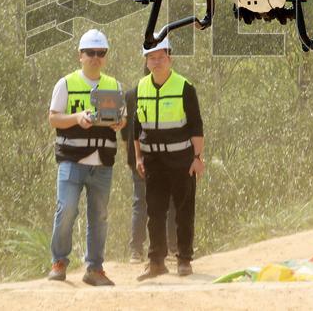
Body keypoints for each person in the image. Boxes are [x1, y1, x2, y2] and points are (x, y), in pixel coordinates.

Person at [47, 29, 125, 286]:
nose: (95, 57)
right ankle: (59, 261)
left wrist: (119, 123)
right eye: (90, 53)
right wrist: (77, 119)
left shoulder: (114, 85)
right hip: (71, 160)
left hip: (102, 162)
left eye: (100, 53)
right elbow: (53, 118)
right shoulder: (66, 83)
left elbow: (122, 118)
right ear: (80, 55)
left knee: (99, 216)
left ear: (106, 56)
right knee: (66, 209)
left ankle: (95, 268)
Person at [132, 37, 205, 279]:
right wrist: (139, 158)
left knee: (184, 211)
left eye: (161, 56)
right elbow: (136, 128)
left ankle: (184, 259)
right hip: (154, 162)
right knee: (155, 211)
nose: (156, 61)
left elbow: (196, 126)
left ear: (170, 58)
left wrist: (197, 157)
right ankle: (156, 262)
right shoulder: (141, 87)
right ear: (146, 61)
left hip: (181, 160)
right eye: (152, 57)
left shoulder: (185, 87)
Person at [123, 88, 177, 264]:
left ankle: (136, 250)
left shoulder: (131, 94)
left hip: (139, 156)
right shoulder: (172, 90)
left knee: (141, 202)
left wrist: (130, 155)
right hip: (161, 154)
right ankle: (171, 248)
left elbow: (125, 133)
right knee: (169, 201)